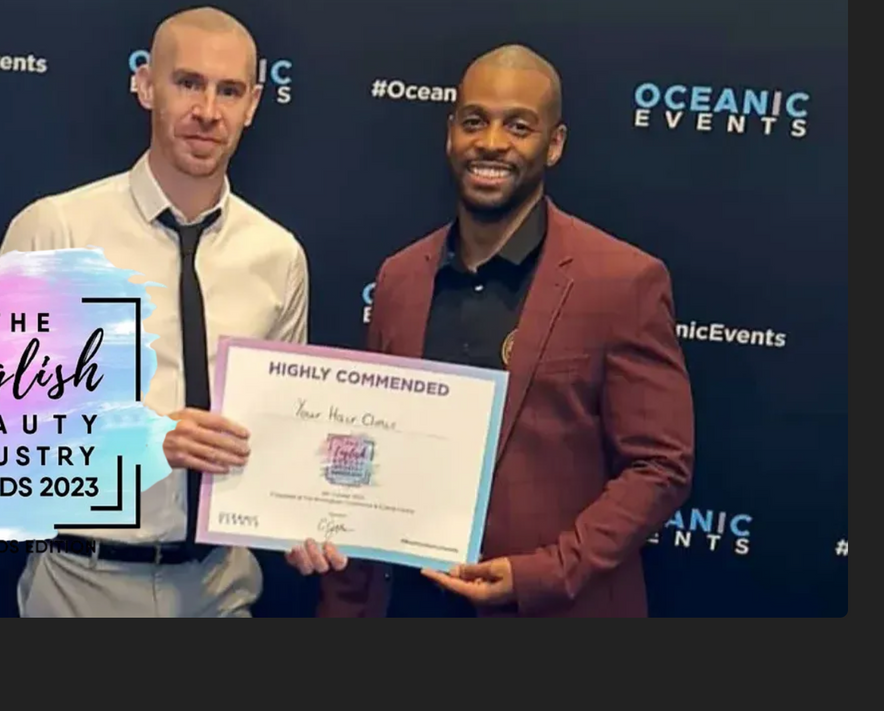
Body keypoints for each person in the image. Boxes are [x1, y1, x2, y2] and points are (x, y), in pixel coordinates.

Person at [287, 44, 694, 617]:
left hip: (552, 610)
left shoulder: (622, 280)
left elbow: (660, 467)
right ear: (450, 132)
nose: (492, 143)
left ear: (554, 144)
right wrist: (321, 519)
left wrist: (544, 572)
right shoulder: (400, 278)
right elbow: (371, 450)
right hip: (407, 607)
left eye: (518, 126)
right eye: (475, 121)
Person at [0, 6, 309, 617]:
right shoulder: (56, 230)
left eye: (229, 91)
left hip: (221, 589)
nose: (208, 111)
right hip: (81, 585)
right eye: (188, 83)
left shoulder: (280, 257)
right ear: (144, 85)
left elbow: (284, 432)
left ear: (253, 105)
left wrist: (309, 517)